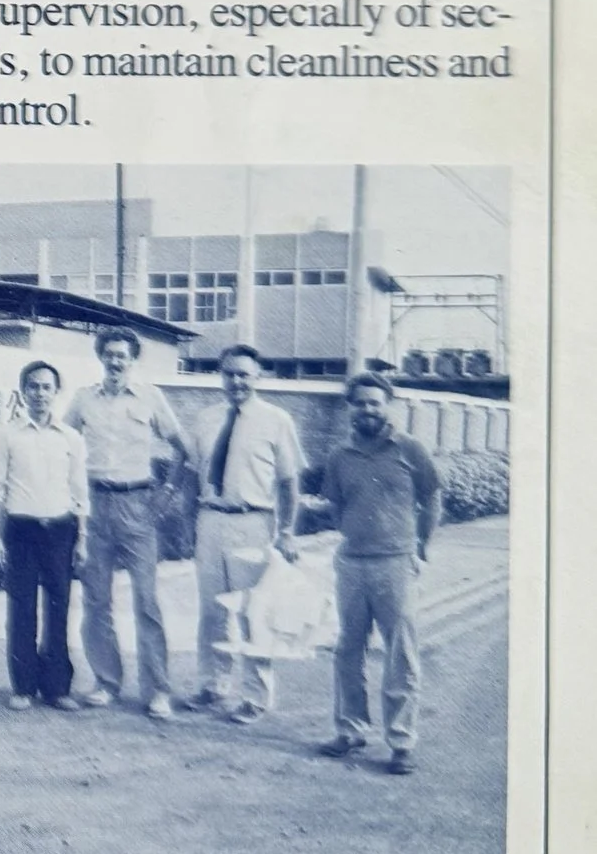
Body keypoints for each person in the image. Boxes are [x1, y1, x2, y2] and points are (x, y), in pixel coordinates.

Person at [317, 373, 442, 773]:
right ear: (350, 408)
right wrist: (354, 535)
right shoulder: (339, 456)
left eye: (375, 402)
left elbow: (432, 497)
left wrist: (421, 546)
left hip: (396, 563)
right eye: (360, 403)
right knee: (348, 649)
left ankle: (401, 741)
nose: (368, 409)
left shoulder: (410, 449)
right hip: (352, 563)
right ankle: (350, 731)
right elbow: (335, 506)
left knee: (400, 653)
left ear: (388, 404)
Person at [63, 326, 187, 716]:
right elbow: (62, 445)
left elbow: (182, 448)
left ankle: (158, 690)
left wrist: (169, 490)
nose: (116, 360)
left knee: (146, 601)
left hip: (138, 503)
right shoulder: (84, 400)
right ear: (101, 356)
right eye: (110, 353)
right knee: (96, 600)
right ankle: (106, 681)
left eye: (123, 355)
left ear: (133, 360)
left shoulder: (151, 397)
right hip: (95, 505)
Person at [184, 342, 304, 722]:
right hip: (211, 520)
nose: (236, 381)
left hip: (254, 521)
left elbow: (288, 483)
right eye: (229, 374)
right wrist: (190, 525)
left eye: (244, 375)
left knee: (254, 612)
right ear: (220, 376)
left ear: (258, 377)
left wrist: (286, 531)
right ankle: (213, 686)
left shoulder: (276, 420)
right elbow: (191, 475)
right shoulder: (205, 418)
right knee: (211, 611)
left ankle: (255, 697)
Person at [0, 358, 88, 709]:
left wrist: (82, 539)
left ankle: (57, 688)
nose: (40, 393)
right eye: (33, 386)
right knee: (22, 608)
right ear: (23, 391)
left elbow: (80, 493)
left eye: (47, 387)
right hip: (22, 531)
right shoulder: (8, 434)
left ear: (57, 393)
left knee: (59, 610)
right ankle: (23, 687)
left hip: (60, 531)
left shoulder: (71, 437)